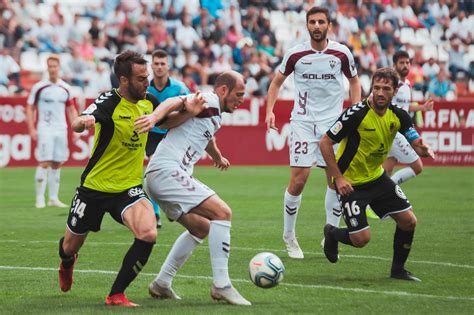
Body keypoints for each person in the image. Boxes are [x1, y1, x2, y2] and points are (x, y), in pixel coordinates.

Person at [56, 50, 206, 307]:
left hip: (128, 188)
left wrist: (189, 112)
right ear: (123, 80)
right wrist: (84, 122)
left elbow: (167, 123)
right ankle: (67, 262)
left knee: (148, 233)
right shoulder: (108, 102)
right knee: (70, 246)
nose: (146, 82)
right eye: (140, 78)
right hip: (94, 188)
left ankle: (116, 294)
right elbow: (81, 121)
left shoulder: (148, 101)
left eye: (146, 77)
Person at [136, 71, 251, 306]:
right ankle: (222, 285)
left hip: (161, 176)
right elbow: (174, 101)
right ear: (222, 90)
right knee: (223, 213)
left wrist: (217, 156)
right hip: (167, 172)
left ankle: (161, 283)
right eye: (238, 95)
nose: (241, 100)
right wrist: (154, 117)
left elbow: (206, 134)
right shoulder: (207, 99)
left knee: (201, 228)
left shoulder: (214, 112)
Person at [320, 67, 434, 281]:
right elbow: (325, 142)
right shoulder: (356, 114)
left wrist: (422, 149)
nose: (380, 93)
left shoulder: (399, 115)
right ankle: (332, 233)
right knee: (362, 239)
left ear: (395, 91)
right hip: (351, 183)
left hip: (377, 178)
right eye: (377, 88)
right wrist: (338, 177)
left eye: (386, 88)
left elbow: (415, 142)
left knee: (409, 221)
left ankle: (398, 270)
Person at [265, 6, 361, 259]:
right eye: (312, 22)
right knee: (299, 179)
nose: (317, 26)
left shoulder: (341, 53)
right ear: (306, 25)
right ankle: (289, 236)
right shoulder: (296, 54)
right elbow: (275, 83)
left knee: (335, 179)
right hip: (303, 122)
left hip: (333, 124)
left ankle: (331, 234)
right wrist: (270, 111)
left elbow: (354, 81)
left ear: (329, 25)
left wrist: (356, 111)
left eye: (321, 22)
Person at [26, 54, 78, 209]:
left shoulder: (65, 88)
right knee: (44, 162)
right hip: (45, 128)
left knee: (57, 163)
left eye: (55, 66)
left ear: (59, 68)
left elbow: (71, 109)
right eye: (50, 66)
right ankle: (40, 198)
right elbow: (29, 107)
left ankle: (53, 198)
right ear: (47, 68)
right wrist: (31, 128)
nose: (53, 69)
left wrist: (75, 129)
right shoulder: (39, 87)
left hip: (61, 129)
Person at [146, 49, 190, 228]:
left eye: (162, 63)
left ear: (168, 66)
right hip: (153, 136)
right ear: (151, 66)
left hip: (174, 135)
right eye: (156, 63)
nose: (159, 67)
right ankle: (155, 214)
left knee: (177, 171)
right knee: (155, 172)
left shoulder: (179, 88)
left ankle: (172, 207)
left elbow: (189, 108)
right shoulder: (144, 88)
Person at [383, 51, 434, 186]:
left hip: (398, 131)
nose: (405, 65)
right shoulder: (389, 83)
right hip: (393, 130)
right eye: (401, 63)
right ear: (394, 65)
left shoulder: (406, 84)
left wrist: (422, 108)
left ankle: (377, 199)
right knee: (417, 167)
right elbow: (377, 101)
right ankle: (386, 192)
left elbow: (404, 107)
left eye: (407, 62)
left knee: (386, 170)